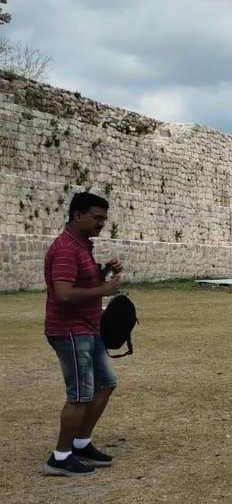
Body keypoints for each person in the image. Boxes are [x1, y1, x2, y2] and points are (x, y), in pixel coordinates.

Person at [43, 192, 124, 476]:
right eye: (97, 217)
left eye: (104, 218)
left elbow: (79, 283)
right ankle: (60, 457)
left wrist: (102, 274)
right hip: (70, 331)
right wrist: (103, 290)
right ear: (78, 215)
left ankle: (80, 442)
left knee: (106, 383)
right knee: (79, 395)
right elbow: (63, 294)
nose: (102, 223)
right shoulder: (66, 248)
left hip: (88, 329)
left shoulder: (81, 246)